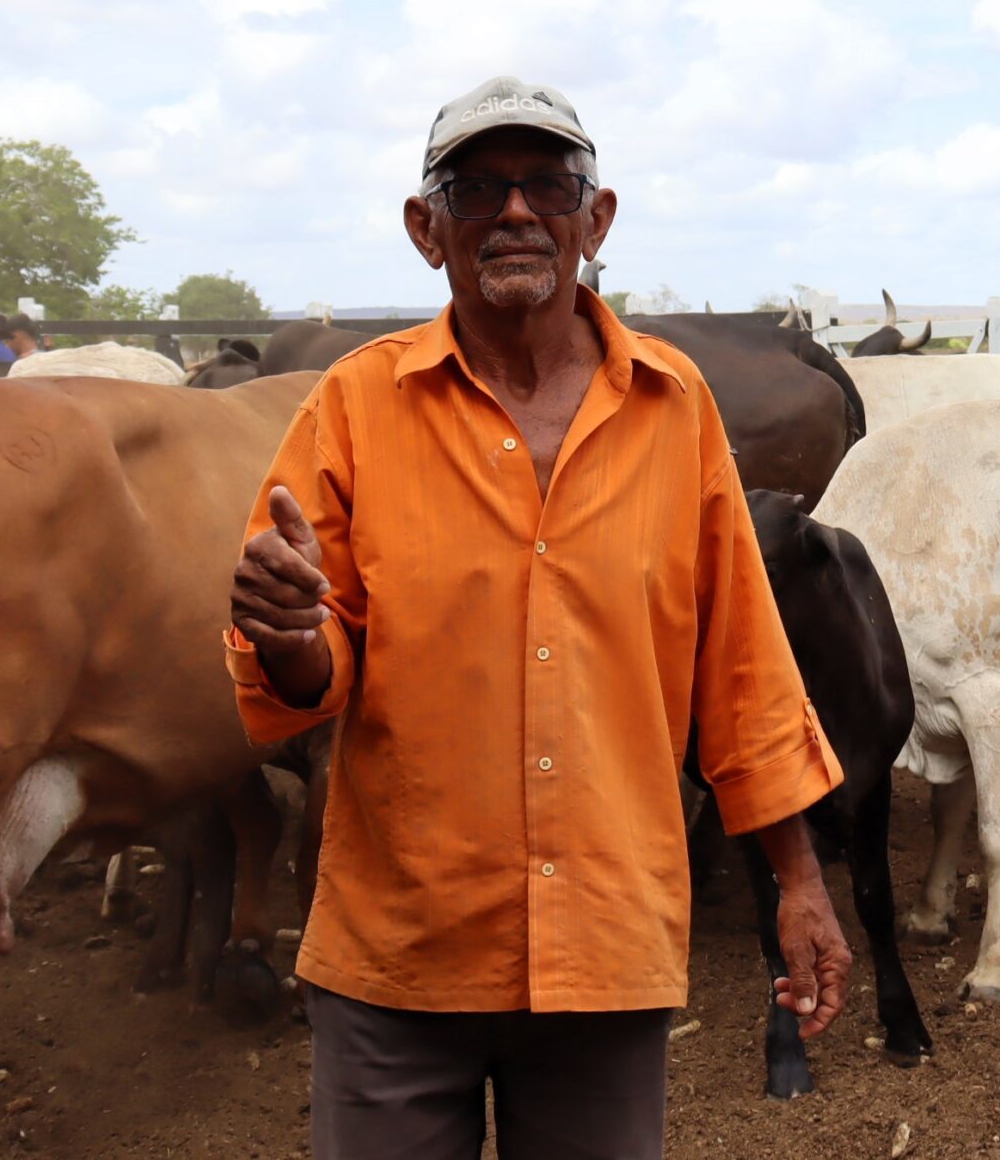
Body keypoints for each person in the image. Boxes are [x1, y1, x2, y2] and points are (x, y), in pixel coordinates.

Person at [228, 76, 851, 1160]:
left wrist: (799, 883)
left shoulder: (675, 405)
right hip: (400, 952)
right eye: (476, 191)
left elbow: (740, 666)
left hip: (605, 950)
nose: (515, 213)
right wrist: (285, 636)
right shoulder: (353, 407)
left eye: (547, 184)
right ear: (429, 233)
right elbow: (307, 674)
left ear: (594, 220)